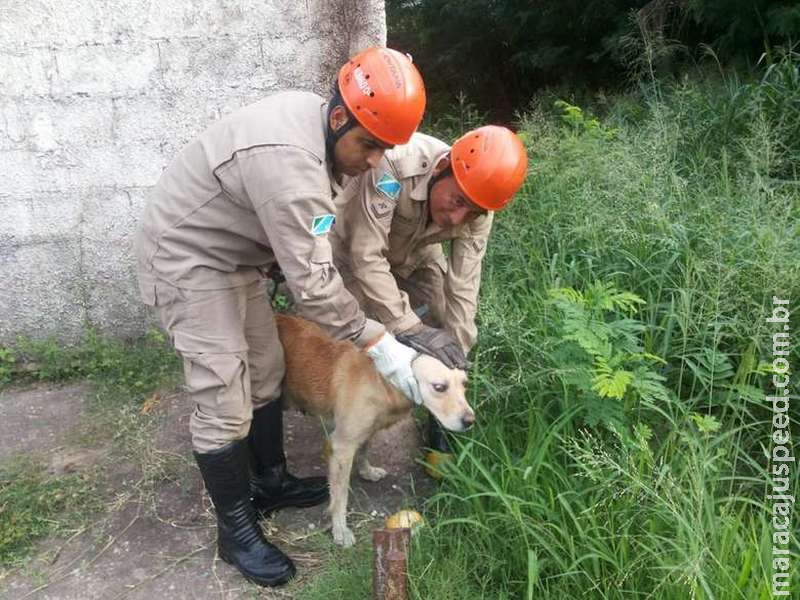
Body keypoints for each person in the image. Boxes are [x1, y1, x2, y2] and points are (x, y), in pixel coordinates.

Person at [134, 47, 433, 588]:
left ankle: (269, 481)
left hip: (235, 256)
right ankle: (236, 532)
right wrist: (379, 341)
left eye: (384, 150)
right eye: (369, 145)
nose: (373, 162)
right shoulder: (291, 162)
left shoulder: (318, 119)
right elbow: (315, 286)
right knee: (223, 392)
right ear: (341, 114)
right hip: (188, 258)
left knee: (268, 366)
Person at [329, 125, 528, 472]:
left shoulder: (479, 205)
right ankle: (349, 427)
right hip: (352, 250)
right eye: (457, 202)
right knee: (358, 334)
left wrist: (457, 356)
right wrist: (409, 327)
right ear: (441, 169)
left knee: (441, 321)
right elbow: (367, 257)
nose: (456, 219)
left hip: (416, 253)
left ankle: (443, 421)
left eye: (473, 212)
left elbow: (464, 286)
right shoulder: (393, 166)